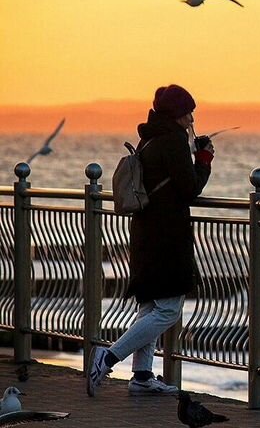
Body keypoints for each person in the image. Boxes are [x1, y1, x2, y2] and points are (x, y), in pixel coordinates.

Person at [86, 84, 214, 397]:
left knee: (150, 306)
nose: (191, 117)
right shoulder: (173, 141)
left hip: (145, 229)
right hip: (166, 234)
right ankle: (109, 355)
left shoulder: (150, 137)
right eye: (187, 111)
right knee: (168, 309)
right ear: (177, 113)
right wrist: (204, 161)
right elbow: (188, 188)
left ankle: (142, 376)